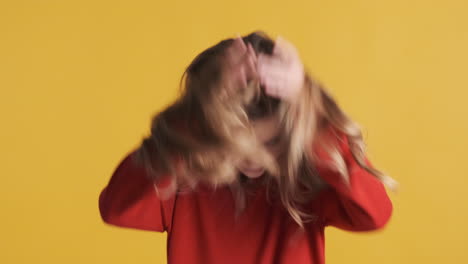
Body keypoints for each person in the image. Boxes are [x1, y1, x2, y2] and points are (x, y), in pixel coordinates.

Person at [98, 31, 397, 264]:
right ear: (206, 131)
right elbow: (115, 208)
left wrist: (311, 109)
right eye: (238, 143)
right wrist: (195, 117)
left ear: (293, 133)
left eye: (271, 143)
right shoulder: (184, 177)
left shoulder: (306, 179)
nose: (257, 158)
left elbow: (375, 214)